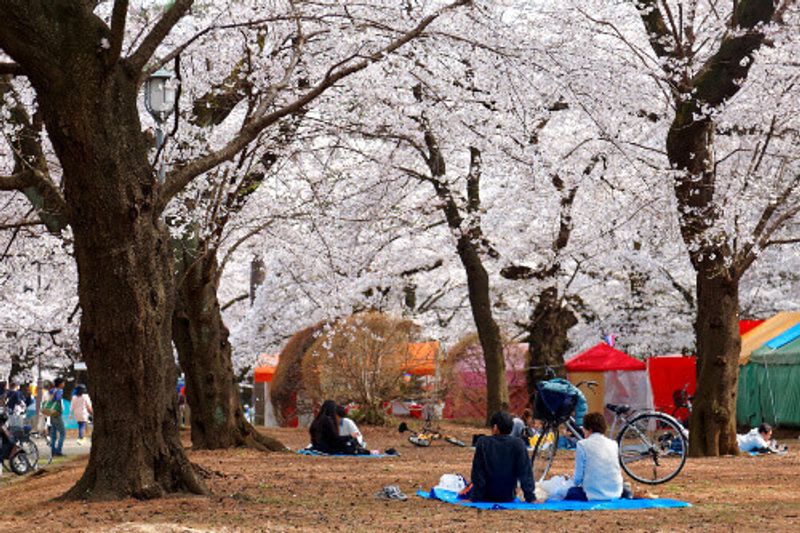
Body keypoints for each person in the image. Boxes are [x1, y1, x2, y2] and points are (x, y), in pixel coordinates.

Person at [463, 411, 536, 503]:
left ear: (495, 427)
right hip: (508, 496)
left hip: (486, 495)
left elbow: (478, 472)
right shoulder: (518, 444)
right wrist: (531, 497)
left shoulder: (483, 443)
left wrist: (474, 498)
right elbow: (525, 472)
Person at [565, 412, 629, 501]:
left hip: (593, 494)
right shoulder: (613, 444)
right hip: (616, 492)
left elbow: (577, 479)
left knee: (571, 492)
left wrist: (569, 480)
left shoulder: (582, 445)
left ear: (590, 429)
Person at [47, 378, 66, 457]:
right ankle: (58, 451)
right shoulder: (58, 391)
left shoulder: (51, 391)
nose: (64, 384)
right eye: (63, 383)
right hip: (57, 414)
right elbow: (57, 400)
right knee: (63, 432)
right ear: (60, 384)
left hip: (51, 413)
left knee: (53, 433)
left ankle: (53, 451)